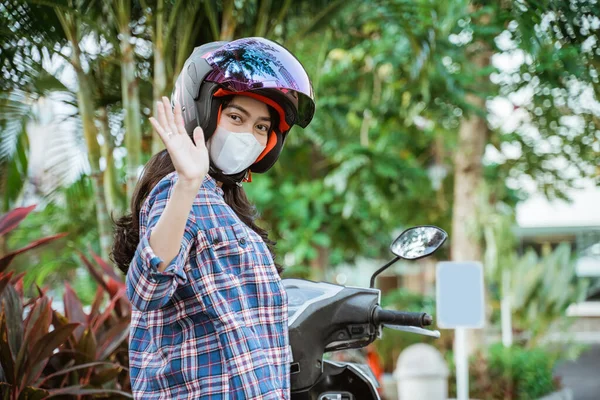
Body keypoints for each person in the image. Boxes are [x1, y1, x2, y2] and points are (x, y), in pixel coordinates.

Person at [111, 37, 315, 399]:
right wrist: (188, 184)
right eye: (236, 117)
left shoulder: (228, 208)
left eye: (261, 127)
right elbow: (146, 288)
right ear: (203, 113)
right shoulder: (179, 190)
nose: (249, 136)